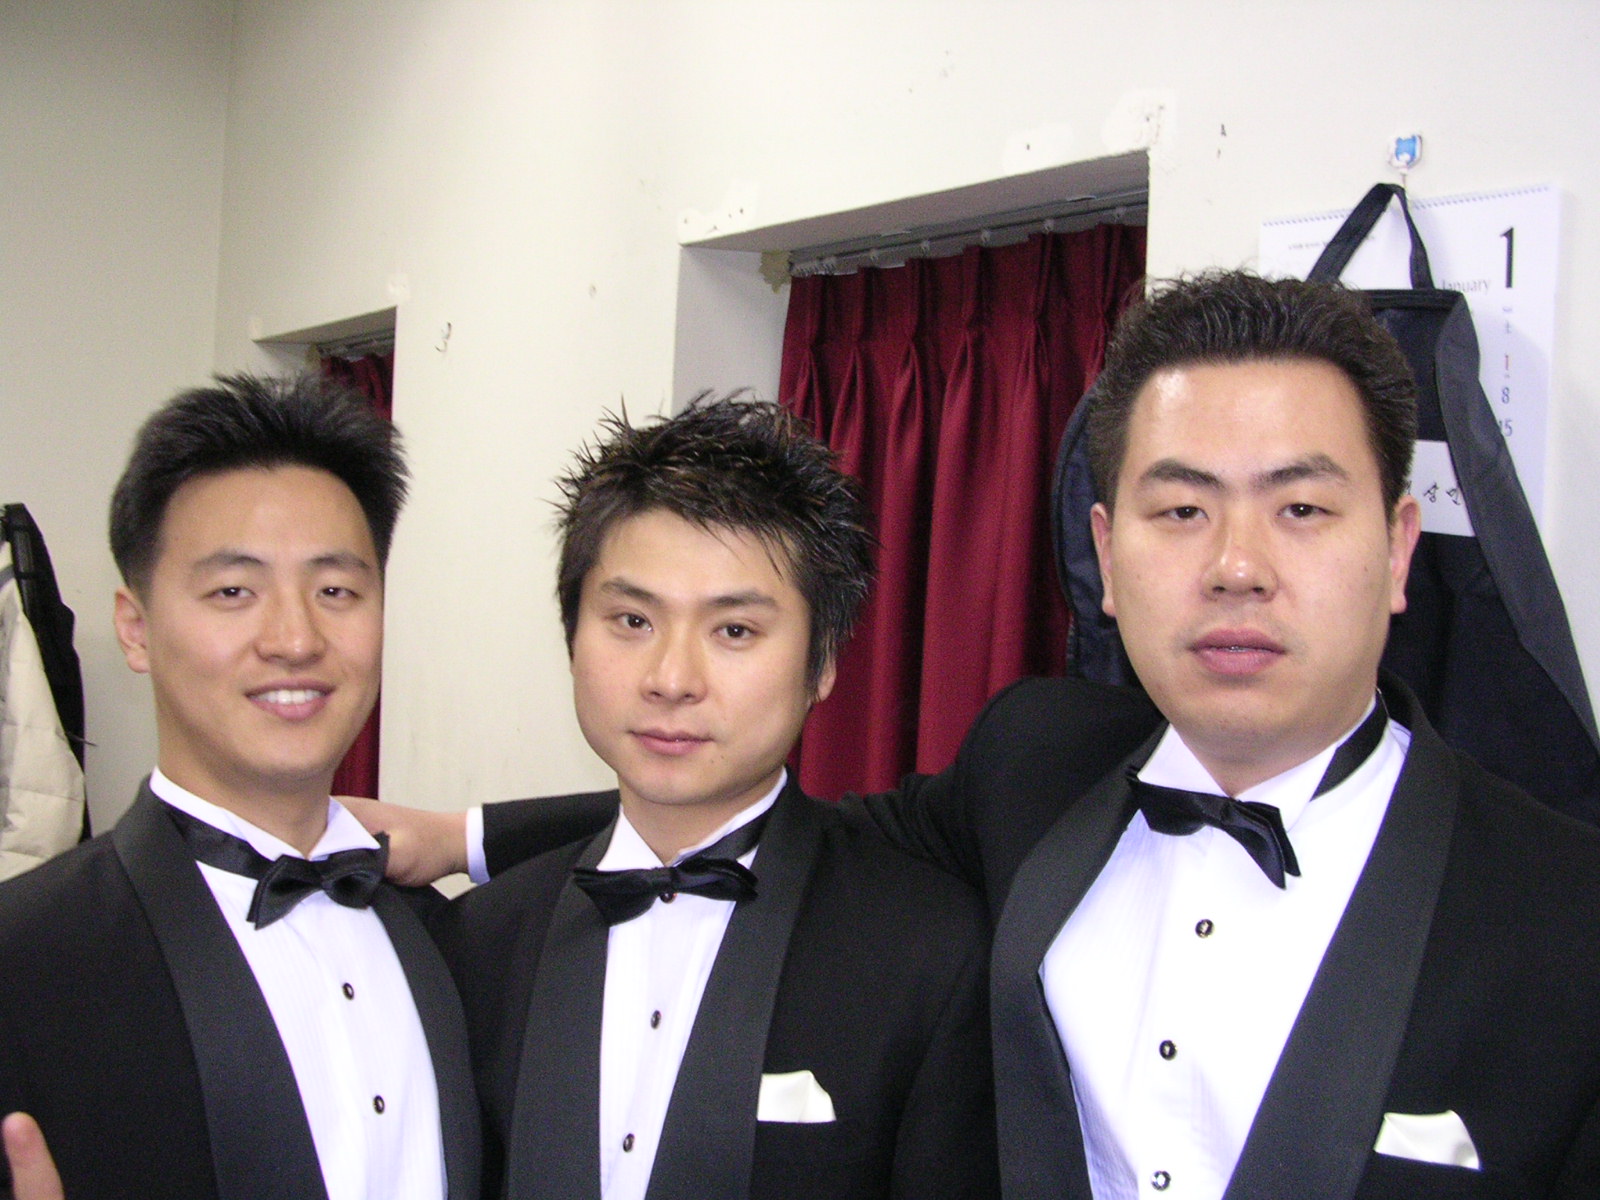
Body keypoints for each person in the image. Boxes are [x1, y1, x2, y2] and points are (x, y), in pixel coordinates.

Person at [359, 272, 1600, 1199]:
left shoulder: (1563, 909)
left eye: (1300, 508)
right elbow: (747, 817)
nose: (1235, 566)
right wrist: (463, 837)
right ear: (1105, 553)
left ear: (1396, 547)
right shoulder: (1035, 764)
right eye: (1180, 509)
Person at [428, 398, 996, 1199]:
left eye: (734, 631)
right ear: (572, 634)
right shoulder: (478, 941)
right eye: (632, 619)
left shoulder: (928, 949)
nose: (671, 679)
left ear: (823, 662)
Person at [0, 375, 479, 1200]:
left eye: (336, 591)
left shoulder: (455, 939)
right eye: (233, 591)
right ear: (136, 628)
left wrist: (470, 835)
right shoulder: (25, 957)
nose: (295, 639)